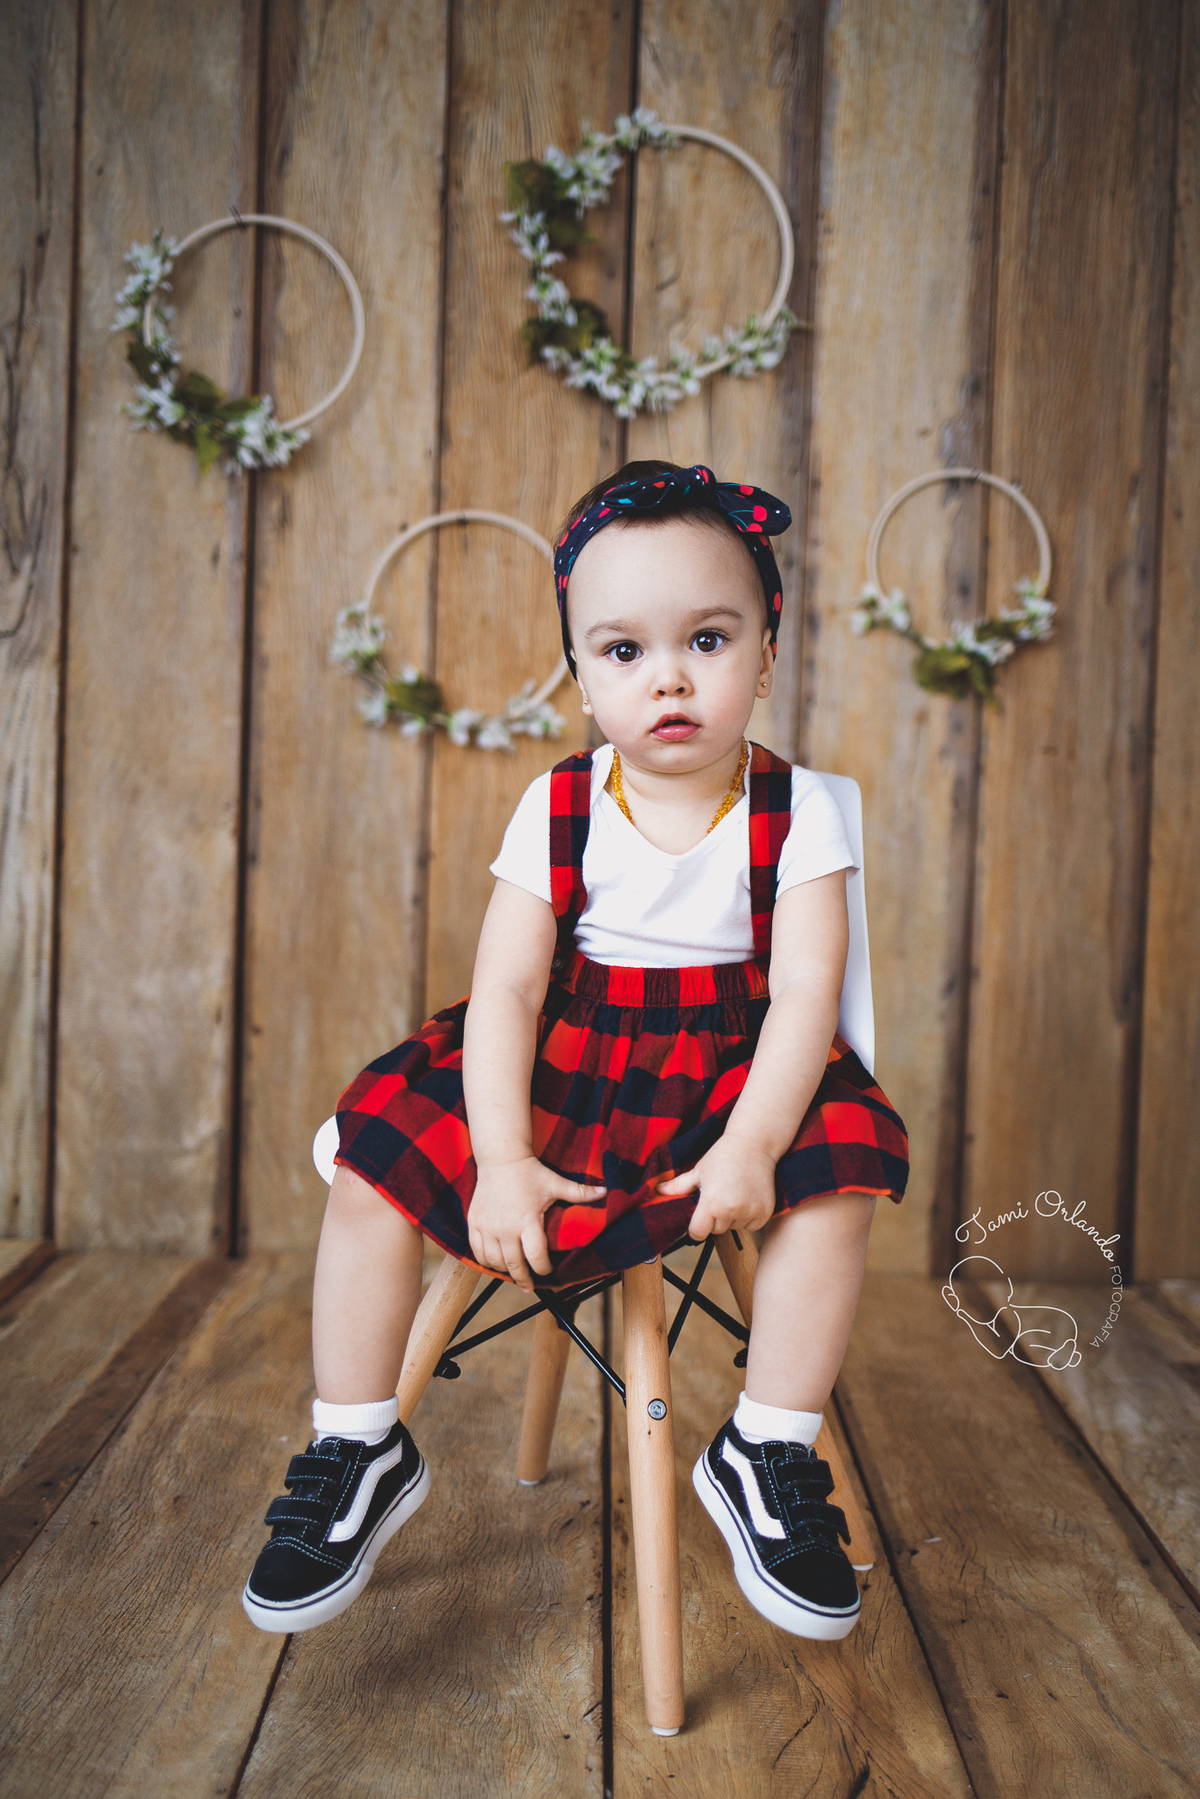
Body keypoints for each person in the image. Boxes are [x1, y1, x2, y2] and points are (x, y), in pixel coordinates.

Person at [242, 460, 909, 1643]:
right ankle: (357, 1441)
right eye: (624, 651)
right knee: (371, 1152)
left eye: (708, 639)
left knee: (846, 1165)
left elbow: (807, 991)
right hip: (565, 1057)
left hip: (737, 1068)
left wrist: (756, 1140)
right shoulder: (560, 802)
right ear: (581, 675)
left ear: (766, 652)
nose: (668, 677)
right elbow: (506, 986)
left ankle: (767, 1444)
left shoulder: (797, 809)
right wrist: (502, 1158)